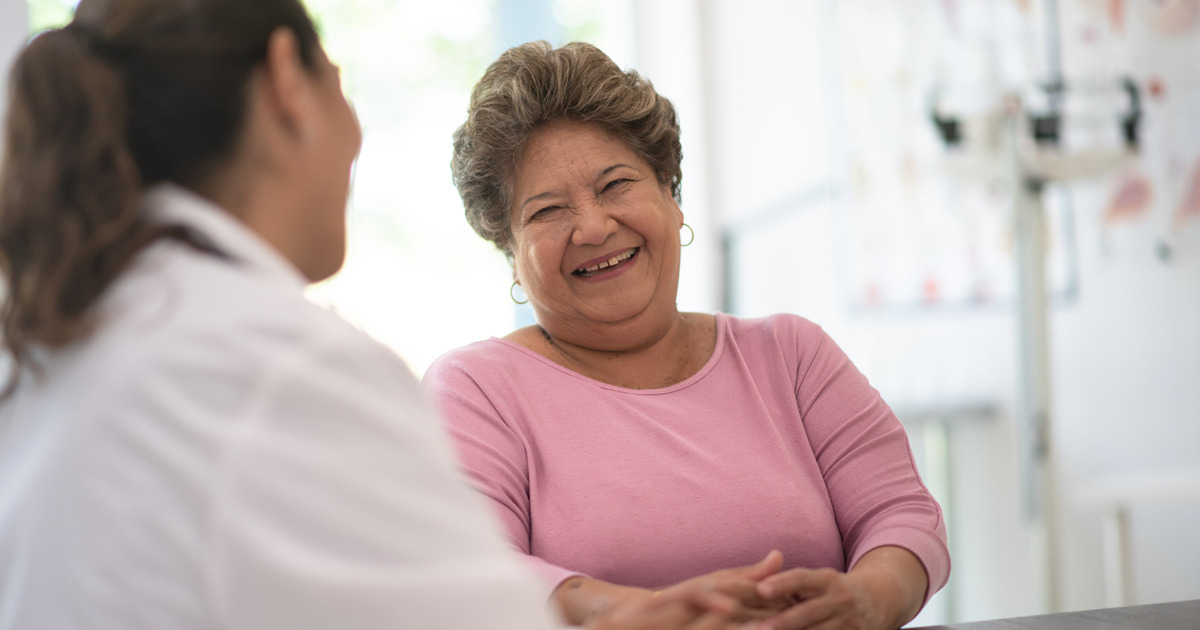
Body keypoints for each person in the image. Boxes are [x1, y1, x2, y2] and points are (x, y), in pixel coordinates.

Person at [0, 4, 749, 629]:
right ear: (289, 85)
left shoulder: (67, 339)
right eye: (340, 85)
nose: (356, 138)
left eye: (616, 185)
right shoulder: (278, 365)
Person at [426, 41, 952, 630]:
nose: (595, 227)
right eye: (547, 211)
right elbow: (472, 568)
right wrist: (619, 612)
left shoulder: (792, 355)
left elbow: (902, 515)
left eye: (616, 185)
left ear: (672, 197)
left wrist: (872, 598)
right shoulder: (476, 389)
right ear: (512, 254)